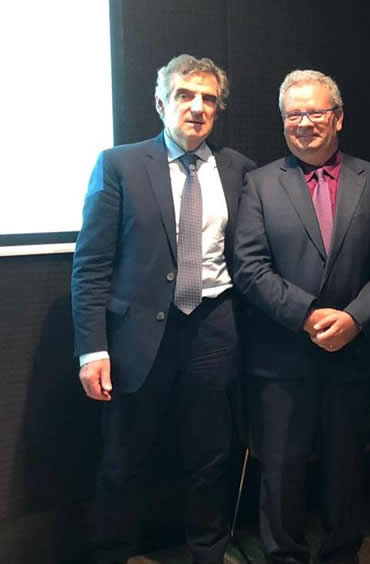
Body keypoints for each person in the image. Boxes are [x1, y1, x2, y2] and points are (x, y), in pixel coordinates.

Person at [71, 54, 256, 564]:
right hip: (137, 337)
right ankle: (113, 554)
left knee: (211, 458)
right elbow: (91, 264)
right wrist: (92, 349)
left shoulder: (240, 170)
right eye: (184, 95)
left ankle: (207, 554)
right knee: (123, 461)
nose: (197, 107)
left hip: (215, 329)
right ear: (160, 103)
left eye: (208, 99)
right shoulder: (120, 165)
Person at [232, 69, 370, 564]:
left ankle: (341, 554)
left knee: (345, 469)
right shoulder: (259, 184)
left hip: (355, 353)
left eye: (315, 112)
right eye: (294, 114)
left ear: (339, 118)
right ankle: (283, 557)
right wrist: (308, 316)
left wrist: (353, 319)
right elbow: (248, 267)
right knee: (281, 472)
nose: (304, 123)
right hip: (282, 355)